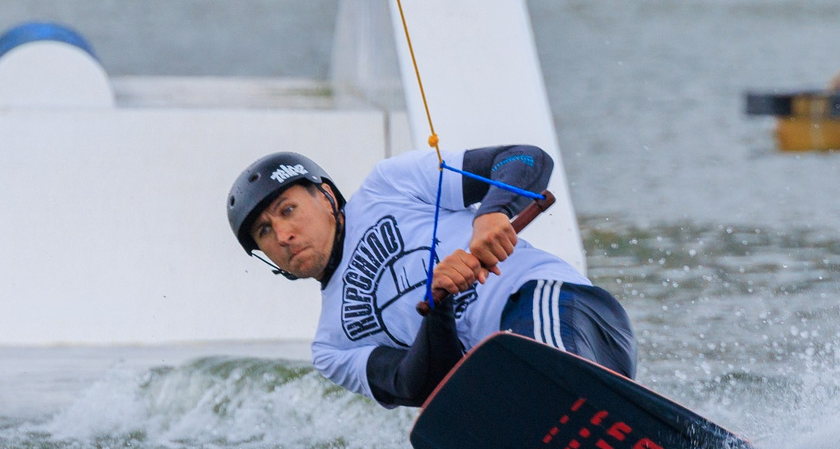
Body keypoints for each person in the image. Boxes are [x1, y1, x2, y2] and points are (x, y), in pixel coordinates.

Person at [225, 145, 634, 408]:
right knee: (483, 406)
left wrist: (493, 213)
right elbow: (420, 386)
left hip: (562, 313)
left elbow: (525, 159)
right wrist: (438, 308)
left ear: (327, 196)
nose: (283, 235)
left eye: (288, 210)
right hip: (513, 381)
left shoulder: (388, 186)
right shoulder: (331, 347)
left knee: (531, 377)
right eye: (264, 232)